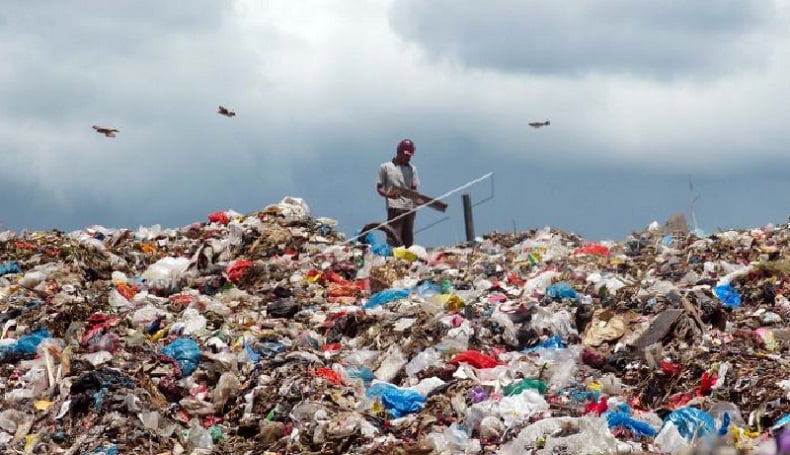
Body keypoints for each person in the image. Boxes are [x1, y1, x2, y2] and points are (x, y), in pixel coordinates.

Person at [376, 138, 420, 247]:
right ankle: (393, 260)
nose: (408, 158)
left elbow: (414, 188)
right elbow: (379, 188)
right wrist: (389, 195)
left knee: (408, 239)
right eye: (406, 155)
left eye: (410, 155)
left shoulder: (412, 169)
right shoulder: (386, 167)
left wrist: (416, 199)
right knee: (394, 237)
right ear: (399, 152)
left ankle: (407, 261)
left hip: (409, 208)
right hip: (395, 207)